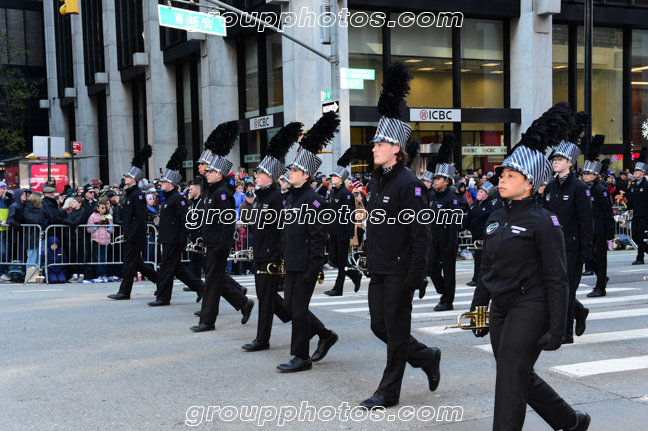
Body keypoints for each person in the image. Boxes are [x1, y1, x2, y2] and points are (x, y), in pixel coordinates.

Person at [470, 101, 590, 431]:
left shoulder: (544, 222)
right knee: (516, 371)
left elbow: (557, 278)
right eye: (502, 174)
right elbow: (486, 270)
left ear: (531, 182)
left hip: (531, 305)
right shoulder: (496, 216)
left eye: (511, 175)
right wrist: (479, 312)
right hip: (501, 306)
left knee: (510, 375)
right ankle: (569, 421)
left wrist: (558, 328)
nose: (502, 180)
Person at [361, 63, 440, 408]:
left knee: (394, 334)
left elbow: (421, 234)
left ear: (396, 148)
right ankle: (426, 356)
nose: (373, 147)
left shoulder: (410, 184)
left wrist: (416, 275)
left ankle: (387, 392)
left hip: (400, 271)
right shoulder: (376, 180)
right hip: (379, 267)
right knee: (379, 327)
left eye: (379, 143)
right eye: (374, 142)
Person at [277, 111, 340, 372]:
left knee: (299, 311)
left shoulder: (314, 200)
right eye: (290, 169)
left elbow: (317, 238)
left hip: (306, 265)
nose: (290, 173)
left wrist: (314, 268)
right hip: (292, 262)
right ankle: (325, 335)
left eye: (295, 170)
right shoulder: (292, 197)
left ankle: (301, 357)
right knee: (289, 307)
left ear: (306, 175)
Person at [242, 121, 311, 352]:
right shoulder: (261, 197)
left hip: (270, 255)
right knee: (270, 299)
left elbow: (282, 229)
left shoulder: (276, 199)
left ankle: (262, 339)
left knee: (266, 299)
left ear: (270, 177)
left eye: (260, 173)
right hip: (261, 253)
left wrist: (277, 255)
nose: (256, 175)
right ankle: (318, 329)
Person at [191, 121, 255, 332]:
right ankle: (243, 303)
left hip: (218, 245)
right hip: (210, 242)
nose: (206, 173)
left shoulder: (222, 193)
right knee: (216, 280)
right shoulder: (211, 190)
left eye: (210, 171)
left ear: (219, 174)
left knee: (212, 283)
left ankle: (207, 321)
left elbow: (227, 223)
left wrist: (220, 245)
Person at [543, 111, 593, 344]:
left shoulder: (579, 188)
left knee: (567, 288)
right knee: (554, 288)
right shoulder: (550, 187)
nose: (555, 161)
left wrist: (587, 249)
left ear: (570, 163)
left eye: (559, 159)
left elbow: (586, 220)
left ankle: (565, 332)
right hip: (552, 245)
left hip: (572, 246)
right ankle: (579, 312)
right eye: (554, 159)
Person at [150, 146, 205, 306]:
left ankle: (163, 297)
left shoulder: (177, 199)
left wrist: (182, 239)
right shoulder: (168, 198)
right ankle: (200, 286)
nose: (162, 183)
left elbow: (184, 220)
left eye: (165, 182)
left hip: (174, 240)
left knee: (167, 268)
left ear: (172, 184)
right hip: (168, 238)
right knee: (175, 268)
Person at [108, 145, 160, 300]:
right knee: (137, 263)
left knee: (129, 263)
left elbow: (140, 218)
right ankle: (161, 281)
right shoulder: (130, 194)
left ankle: (124, 292)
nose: (125, 177)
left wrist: (133, 234)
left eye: (128, 176)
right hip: (131, 233)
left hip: (135, 235)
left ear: (134, 179)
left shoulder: (137, 195)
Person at [427, 133, 460, 311]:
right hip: (434, 240)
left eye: (438, 179)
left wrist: (451, 244)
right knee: (431, 268)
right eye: (435, 179)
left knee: (448, 272)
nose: (435, 181)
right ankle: (443, 291)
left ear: (447, 182)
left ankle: (448, 301)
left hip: (447, 241)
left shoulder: (451, 199)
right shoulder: (434, 198)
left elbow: (454, 224)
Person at [324, 147, 362, 296]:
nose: (332, 178)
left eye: (334, 176)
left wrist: (348, 234)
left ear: (341, 178)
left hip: (342, 232)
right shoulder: (334, 192)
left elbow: (349, 215)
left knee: (341, 261)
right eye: (332, 176)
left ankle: (338, 288)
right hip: (333, 231)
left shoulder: (346, 194)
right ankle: (354, 274)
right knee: (333, 258)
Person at [581, 137, 615, 297]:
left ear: (595, 175)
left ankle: (600, 287)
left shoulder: (601, 190)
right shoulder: (581, 189)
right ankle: (602, 277)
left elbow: (607, 212)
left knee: (600, 259)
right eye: (584, 173)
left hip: (599, 229)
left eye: (588, 174)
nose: (585, 176)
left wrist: (610, 232)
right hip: (586, 229)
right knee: (587, 257)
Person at [464, 177, 502, 287]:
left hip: (484, 236)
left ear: (487, 195)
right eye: (479, 191)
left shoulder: (490, 206)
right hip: (475, 235)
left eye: (481, 192)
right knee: (478, 257)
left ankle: (478, 278)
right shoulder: (474, 205)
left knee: (482, 257)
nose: (478, 193)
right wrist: (463, 228)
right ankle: (480, 277)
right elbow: (469, 218)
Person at [627, 147, 648, 265]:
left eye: (638, 170)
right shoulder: (633, 185)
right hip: (636, 214)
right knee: (634, 236)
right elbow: (631, 199)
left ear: (643, 172)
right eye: (635, 170)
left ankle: (640, 258)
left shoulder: (646, 185)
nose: (635, 172)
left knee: (641, 236)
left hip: (645, 214)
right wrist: (627, 209)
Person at [86, 198, 114, 282]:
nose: (104, 209)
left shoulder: (108, 216)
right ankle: (99, 274)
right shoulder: (93, 216)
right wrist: (96, 225)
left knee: (104, 258)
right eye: (102, 207)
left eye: (105, 207)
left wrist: (108, 226)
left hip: (106, 240)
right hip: (96, 240)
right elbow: (88, 229)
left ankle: (104, 274)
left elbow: (112, 230)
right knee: (98, 258)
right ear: (97, 208)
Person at [23, 194, 48, 276]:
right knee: (32, 257)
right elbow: (38, 221)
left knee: (36, 257)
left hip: (36, 235)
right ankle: (30, 276)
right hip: (32, 235)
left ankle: (34, 275)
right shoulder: (29, 209)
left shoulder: (29, 209)